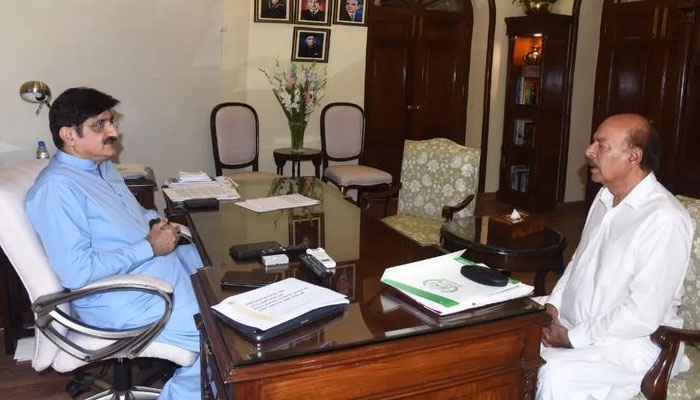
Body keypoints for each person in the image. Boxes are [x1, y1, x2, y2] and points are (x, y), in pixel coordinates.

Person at [25, 88, 203, 400]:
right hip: (129, 298)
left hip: (162, 271)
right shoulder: (57, 190)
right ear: (69, 135)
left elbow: (131, 213)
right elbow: (77, 273)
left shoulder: (101, 167)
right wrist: (149, 247)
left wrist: (152, 223)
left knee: (230, 285)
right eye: (100, 125)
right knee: (221, 340)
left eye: (112, 122)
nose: (114, 132)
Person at [536, 114, 694, 400]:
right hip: (576, 323)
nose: (589, 151)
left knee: (554, 373)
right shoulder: (604, 197)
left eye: (601, 145)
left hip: (632, 343)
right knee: (503, 331)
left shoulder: (664, 219)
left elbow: (642, 314)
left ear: (633, 156)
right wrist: (553, 306)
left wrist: (572, 338)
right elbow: (578, 262)